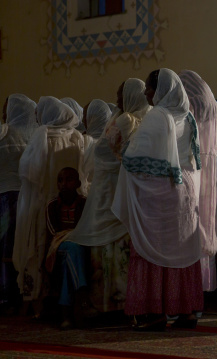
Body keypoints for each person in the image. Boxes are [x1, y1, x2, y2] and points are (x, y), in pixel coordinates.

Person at [112, 69, 203, 330]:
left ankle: (155, 313)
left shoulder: (157, 117)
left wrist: (127, 146)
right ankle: (185, 311)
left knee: (153, 248)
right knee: (181, 249)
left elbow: (132, 156)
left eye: (150, 89)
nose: (146, 94)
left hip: (161, 192)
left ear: (161, 90)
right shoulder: (188, 117)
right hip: (185, 189)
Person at [67, 78, 150, 313]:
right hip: (120, 189)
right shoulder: (144, 117)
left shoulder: (126, 120)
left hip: (112, 188)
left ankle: (111, 303)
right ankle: (121, 301)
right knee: (117, 245)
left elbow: (106, 150)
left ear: (132, 95)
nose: (116, 99)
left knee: (112, 245)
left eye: (120, 94)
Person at [13, 96, 84, 314]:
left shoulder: (42, 135)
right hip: (70, 201)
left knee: (37, 247)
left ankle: (37, 302)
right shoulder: (76, 137)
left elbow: (28, 174)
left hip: (44, 202)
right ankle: (60, 300)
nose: (36, 117)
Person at [179, 70, 217, 293]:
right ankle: (205, 285)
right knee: (207, 219)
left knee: (194, 221)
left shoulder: (191, 106)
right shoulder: (213, 108)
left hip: (194, 167)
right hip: (211, 167)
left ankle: (194, 288)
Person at [44, 167, 88, 329]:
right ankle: (82, 295)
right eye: (60, 180)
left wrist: (72, 235)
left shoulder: (84, 203)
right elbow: (54, 234)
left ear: (78, 183)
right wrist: (73, 235)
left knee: (69, 261)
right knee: (71, 249)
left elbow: (86, 230)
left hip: (76, 250)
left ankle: (66, 315)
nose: (64, 184)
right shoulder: (52, 205)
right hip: (57, 250)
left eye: (69, 179)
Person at [0, 98, 29, 312]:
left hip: (4, 195)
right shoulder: (28, 134)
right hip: (21, 195)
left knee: (5, 245)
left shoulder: (5, 133)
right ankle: (16, 292)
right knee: (15, 243)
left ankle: (7, 292)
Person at [81, 99, 112, 195]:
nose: (82, 120)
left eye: (85, 116)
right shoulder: (113, 143)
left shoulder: (85, 143)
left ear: (92, 118)